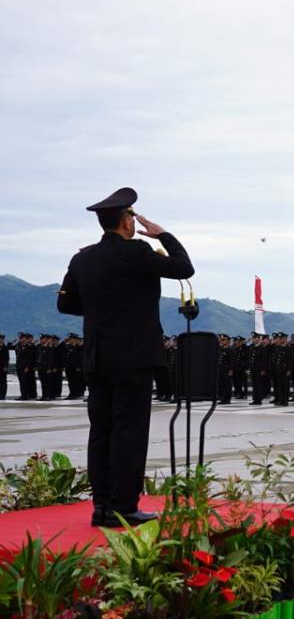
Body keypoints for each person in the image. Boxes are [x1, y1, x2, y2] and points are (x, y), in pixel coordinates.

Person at [56, 187, 194, 528]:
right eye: (132, 216)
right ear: (126, 220)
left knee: (101, 431)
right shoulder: (136, 252)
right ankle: (123, 507)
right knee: (129, 432)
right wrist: (163, 234)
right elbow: (183, 268)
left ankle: (102, 506)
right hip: (133, 357)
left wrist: (101, 310)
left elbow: (65, 304)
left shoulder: (82, 258)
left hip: (97, 357)